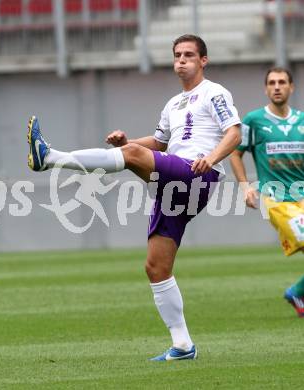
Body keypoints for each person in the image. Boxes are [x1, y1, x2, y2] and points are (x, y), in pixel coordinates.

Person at [27, 34, 241, 360]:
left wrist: (211, 158)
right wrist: (129, 142)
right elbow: (159, 143)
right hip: (174, 183)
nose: (181, 60)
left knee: (131, 155)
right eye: (177, 55)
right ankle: (183, 345)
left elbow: (234, 133)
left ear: (203, 60)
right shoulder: (173, 104)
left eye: (188, 55)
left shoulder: (215, 93)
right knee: (156, 267)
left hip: (198, 174)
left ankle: (51, 157)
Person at [230, 67, 304, 318]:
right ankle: (297, 290)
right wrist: (244, 187)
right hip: (275, 199)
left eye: (282, 82)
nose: (277, 86)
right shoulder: (254, 120)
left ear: (291, 87)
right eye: (272, 82)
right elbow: (235, 153)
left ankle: (296, 291)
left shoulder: (302, 120)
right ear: (265, 88)